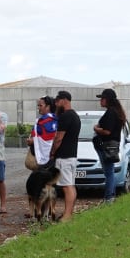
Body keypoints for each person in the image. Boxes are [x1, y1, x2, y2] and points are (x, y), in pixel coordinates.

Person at [48, 90, 81, 222]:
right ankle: (69, 213)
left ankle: (67, 215)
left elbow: (58, 138)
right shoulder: (75, 116)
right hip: (71, 156)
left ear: (64, 100)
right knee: (71, 185)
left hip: (64, 157)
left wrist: (52, 152)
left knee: (67, 187)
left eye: (57, 101)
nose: (56, 104)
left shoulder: (66, 116)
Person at [92, 88, 127, 203]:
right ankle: (110, 196)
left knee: (108, 172)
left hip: (107, 145)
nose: (100, 101)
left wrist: (97, 129)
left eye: (102, 98)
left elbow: (107, 131)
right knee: (109, 171)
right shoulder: (114, 111)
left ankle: (109, 197)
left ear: (108, 100)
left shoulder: (111, 112)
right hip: (109, 145)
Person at [28, 95, 57, 166]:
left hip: (42, 157)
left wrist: (32, 141)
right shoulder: (57, 119)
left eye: (40, 105)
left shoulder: (42, 121)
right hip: (54, 157)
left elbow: (35, 138)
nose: (38, 108)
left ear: (48, 106)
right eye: (38, 105)